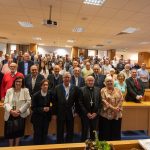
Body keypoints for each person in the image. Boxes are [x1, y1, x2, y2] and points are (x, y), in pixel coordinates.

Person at [3, 76, 31, 146]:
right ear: (14, 82)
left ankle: (16, 146)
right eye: (17, 81)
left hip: (20, 114)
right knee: (10, 133)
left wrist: (19, 111)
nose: (18, 83)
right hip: (10, 114)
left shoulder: (25, 90)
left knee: (18, 132)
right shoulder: (9, 90)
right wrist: (11, 111)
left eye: (20, 81)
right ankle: (10, 147)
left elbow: (28, 102)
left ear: (22, 83)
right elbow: (5, 103)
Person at [53, 72, 80, 143]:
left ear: (70, 78)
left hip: (70, 112)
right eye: (65, 77)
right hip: (60, 112)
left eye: (68, 77)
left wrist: (76, 111)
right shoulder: (57, 87)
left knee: (70, 130)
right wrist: (54, 113)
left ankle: (69, 145)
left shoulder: (75, 88)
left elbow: (77, 101)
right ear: (62, 78)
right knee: (60, 130)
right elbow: (54, 102)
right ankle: (59, 145)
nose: (67, 79)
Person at [99, 76, 123, 141]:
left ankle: (115, 144)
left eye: (111, 81)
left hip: (117, 114)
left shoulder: (118, 89)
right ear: (105, 83)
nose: (109, 82)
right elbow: (103, 100)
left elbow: (121, 99)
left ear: (113, 82)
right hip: (106, 115)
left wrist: (117, 107)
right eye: (108, 81)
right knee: (106, 132)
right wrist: (113, 108)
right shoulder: (103, 90)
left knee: (116, 131)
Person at [31, 79, 55, 145]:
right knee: (37, 135)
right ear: (41, 86)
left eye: (47, 85)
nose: (45, 86)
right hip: (37, 118)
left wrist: (49, 108)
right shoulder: (35, 95)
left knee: (44, 134)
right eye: (44, 85)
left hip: (46, 118)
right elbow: (33, 108)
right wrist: (42, 109)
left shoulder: (50, 94)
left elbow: (54, 105)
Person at [79, 76, 101, 141]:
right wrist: (87, 113)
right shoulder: (81, 89)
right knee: (84, 131)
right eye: (89, 80)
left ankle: (94, 146)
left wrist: (96, 113)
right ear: (86, 81)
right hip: (85, 115)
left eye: (92, 80)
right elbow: (80, 103)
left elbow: (100, 103)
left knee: (94, 132)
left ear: (94, 81)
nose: (90, 82)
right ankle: (83, 145)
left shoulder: (98, 89)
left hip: (95, 115)